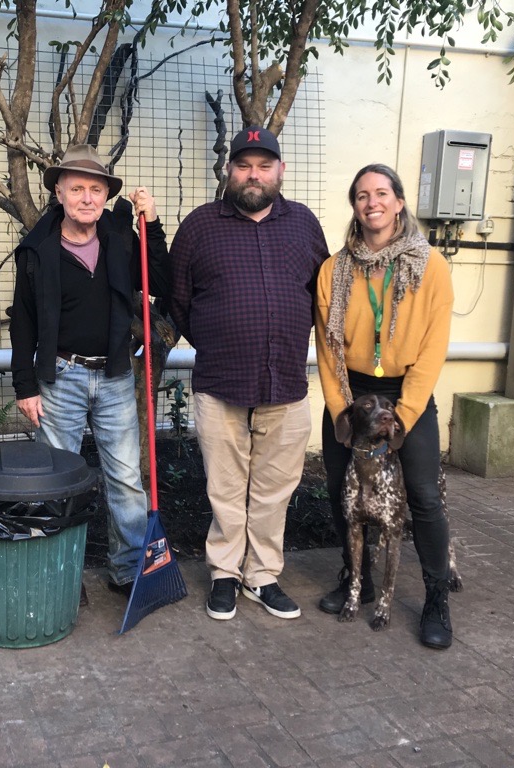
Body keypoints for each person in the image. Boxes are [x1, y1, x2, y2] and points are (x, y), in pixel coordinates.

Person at [170, 126, 329, 621]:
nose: (253, 174)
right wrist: (222, 339)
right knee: (225, 486)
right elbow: (179, 302)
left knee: (273, 489)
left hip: (285, 385)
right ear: (229, 171)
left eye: (264, 165)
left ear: (280, 171)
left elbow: (322, 295)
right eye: (244, 165)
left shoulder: (303, 224)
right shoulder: (199, 226)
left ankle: (261, 575)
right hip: (221, 383)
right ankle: (224, 573)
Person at [9, 145, 167, 595]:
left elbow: (159, 276)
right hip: (61, 379)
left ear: (104, 196)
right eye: (76, 188)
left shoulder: (120, 237)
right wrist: (26, 385)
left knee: (126, 479)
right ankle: (58, 574)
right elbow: (23, 320)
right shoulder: (38, 250)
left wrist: (150, 224)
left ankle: (131, 572)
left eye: (95, 190)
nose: (86, 198)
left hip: (115, 375)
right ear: (59, 192)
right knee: (58, 479)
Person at [315, 163, 454, 649]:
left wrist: (403, 418)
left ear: (398, 202)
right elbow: (328, 351)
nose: (371, 202)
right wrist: (340, 412)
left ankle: (437, 595)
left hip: (406, 394)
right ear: (354, 206)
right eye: (361, 195)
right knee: (340, 489)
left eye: (381, 193)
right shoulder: (335, 269)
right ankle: (358, 580)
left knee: (423, 493)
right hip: (353, 395)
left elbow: (433, 348)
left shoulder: (430, 265)